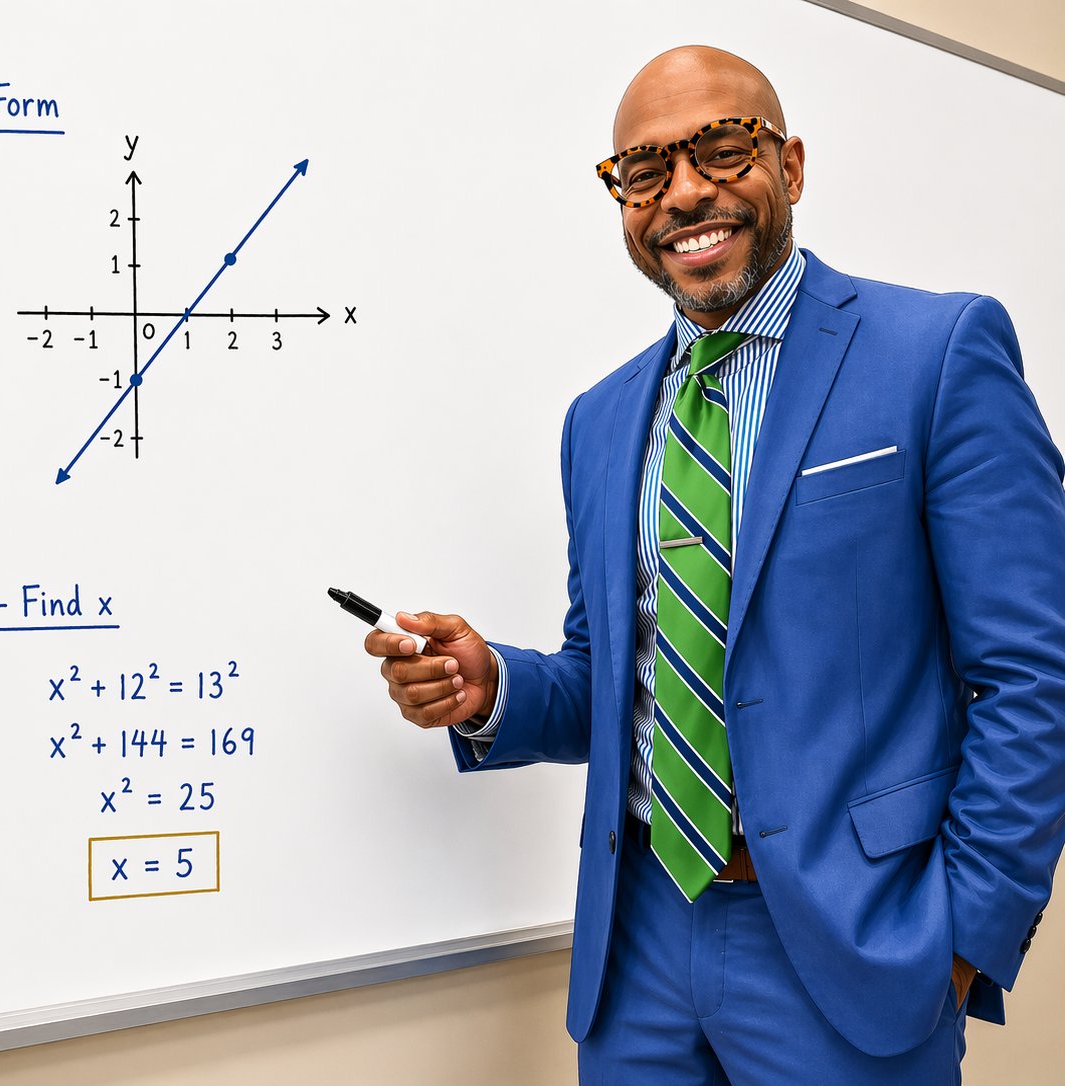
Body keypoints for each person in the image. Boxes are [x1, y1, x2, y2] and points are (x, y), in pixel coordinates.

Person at [363, 45, 1065, 1082]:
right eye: (643, 171)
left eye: (720, 149)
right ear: (620, 201)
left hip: (853, 944)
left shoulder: (937, 351)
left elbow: (1031, 674)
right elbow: (616, 676)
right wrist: (490, 687)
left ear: (787, 164)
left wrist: (964, 939)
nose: (683, 191)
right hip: (637, 940)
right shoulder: (597, 423)